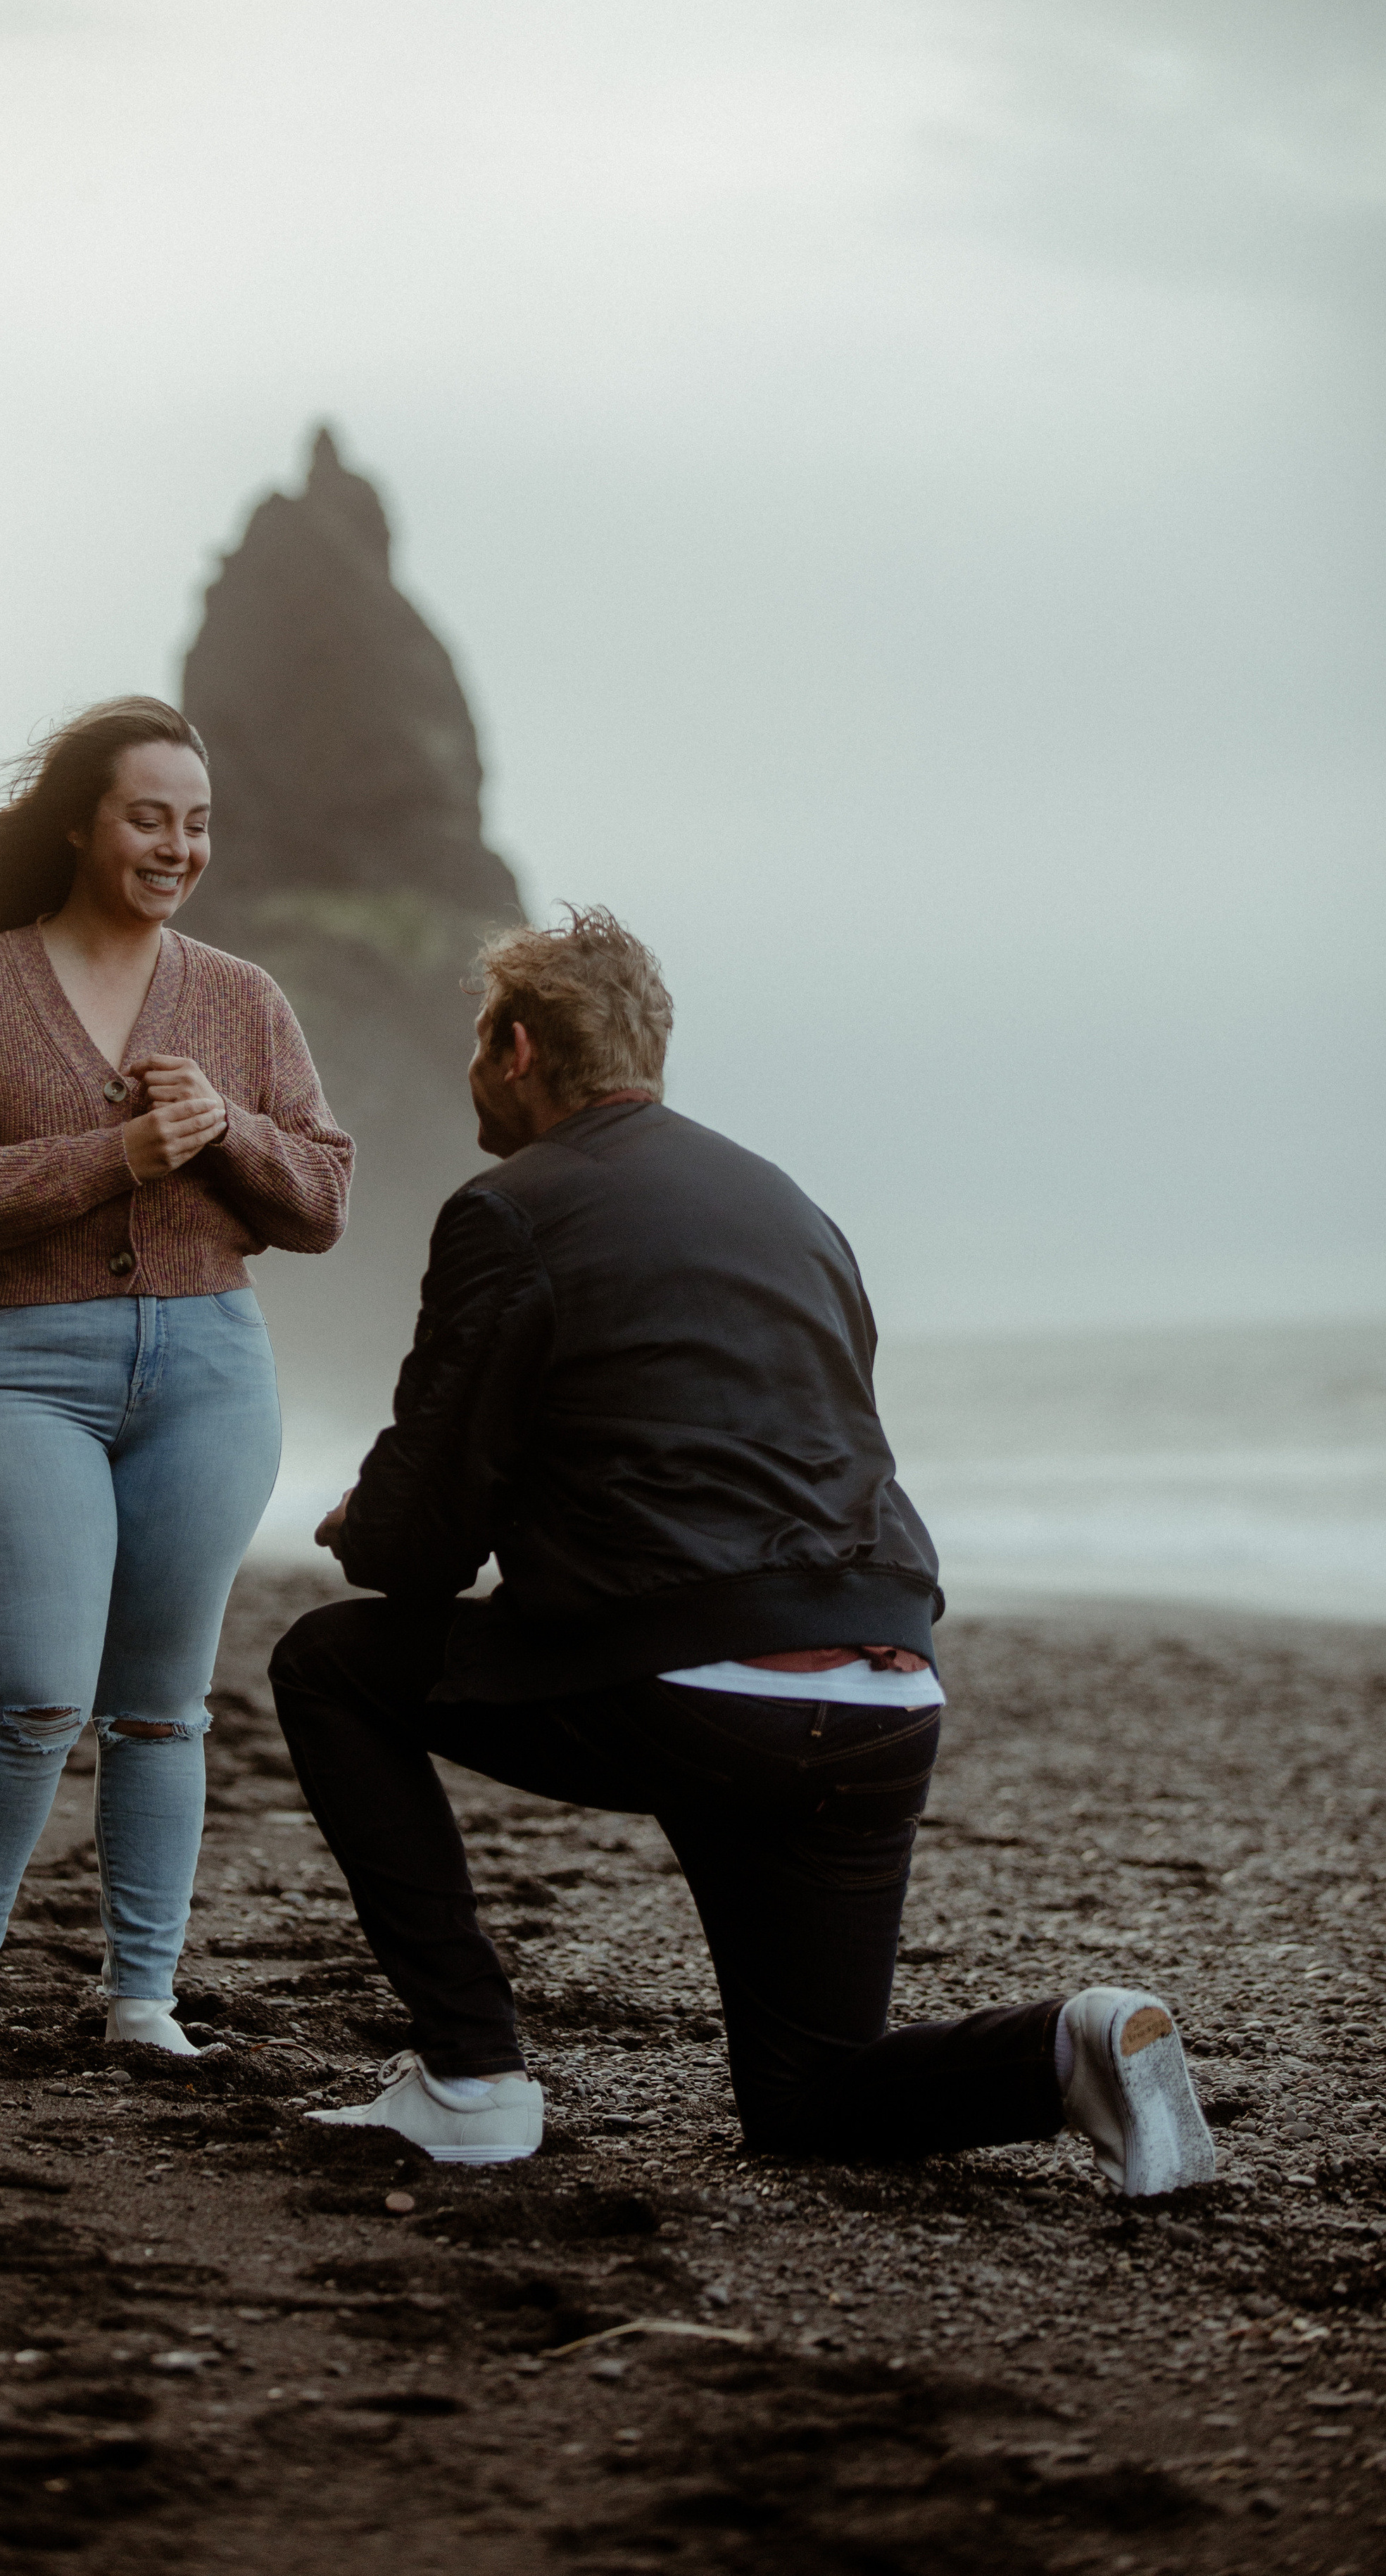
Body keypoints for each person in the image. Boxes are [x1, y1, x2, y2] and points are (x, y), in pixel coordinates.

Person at [269, 907, 1216, 2195]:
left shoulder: (508, 1210)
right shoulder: (794, 1209)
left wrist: (364, 1527)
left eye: (478, 1043)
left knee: (332, 1663)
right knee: (810, 2092)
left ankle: (471, 2078)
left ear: (515, 1042)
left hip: (701, 1692)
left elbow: (421, 1547)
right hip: (884, 1688)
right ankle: (1076, 2042)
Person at [0, 697, 353, 2078]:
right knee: (33, 1687)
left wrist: (226, 1132)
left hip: (208, 1370)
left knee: (158, 1705)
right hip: (13, 1368)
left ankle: (141, 1999)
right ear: (82, 822)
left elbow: (320, 1197)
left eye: (196, 824)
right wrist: (125, 1155)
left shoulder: (241, 1000)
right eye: (149, 816)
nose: (175, 846)